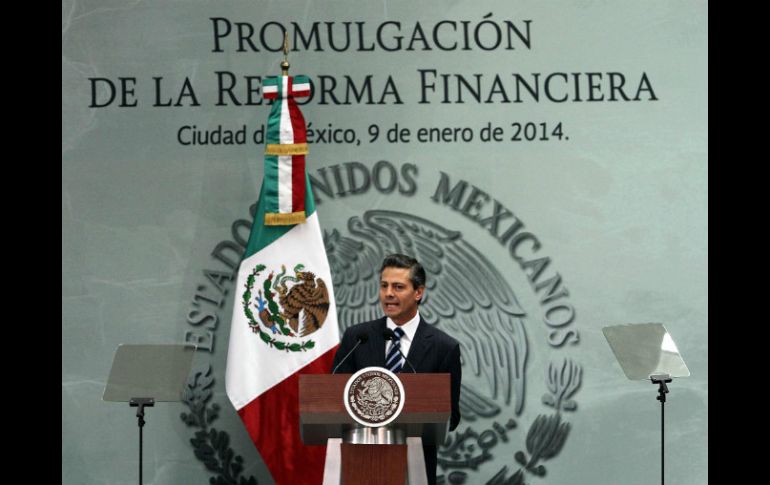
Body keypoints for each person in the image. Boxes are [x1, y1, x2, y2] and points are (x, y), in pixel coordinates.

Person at [332, 253, 461, 485]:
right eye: (384, 286)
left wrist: (417, 415)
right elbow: (333, 399)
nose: (388, 293)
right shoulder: (357, 338)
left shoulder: (444, 347)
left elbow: (451, 416)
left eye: (398, 287)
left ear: (418, 292)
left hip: (415, 468)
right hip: (360, 464)